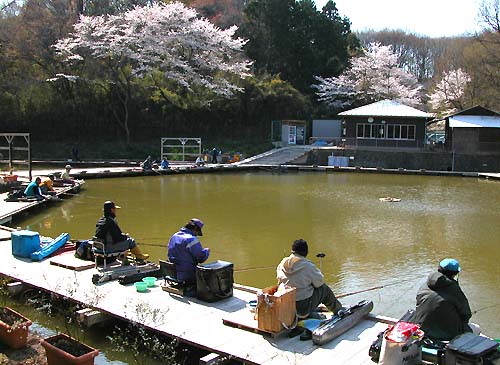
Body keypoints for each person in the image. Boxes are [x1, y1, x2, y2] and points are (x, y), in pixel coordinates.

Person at [409, 258, 478, 341]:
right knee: (476, 328)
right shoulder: (454, 289)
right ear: (455, 274)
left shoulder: (425, 285)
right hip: (447, 335)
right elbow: (466, 314)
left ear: (439, 269)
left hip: (421, 331)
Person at [277, 239, 342, 319]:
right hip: (301, 309)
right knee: (324, 289)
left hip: (286, 306)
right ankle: (338, 309)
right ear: (306, 252)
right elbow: (319, 283)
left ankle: (307, 313)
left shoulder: (282, 263)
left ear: (292, 251)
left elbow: (279, 281)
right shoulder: (307, 265)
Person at [167, 218, 210, 285]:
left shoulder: (174, 236)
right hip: (187, 274)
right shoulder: (191, 239)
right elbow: (201, 258)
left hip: (173, 272)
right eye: (197, 232)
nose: (196, 235)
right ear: (195, 229)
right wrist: (206, 251)